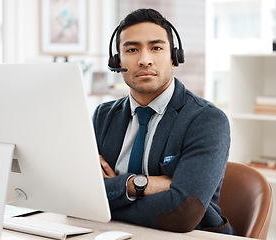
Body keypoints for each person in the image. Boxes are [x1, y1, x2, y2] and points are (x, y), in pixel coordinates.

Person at [92, 8, 235, 235]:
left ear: (174, 57)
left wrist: (109, 197)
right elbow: (81, 193)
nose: (144, 60)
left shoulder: (207, 120)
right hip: (112, 233)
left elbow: (182, 212)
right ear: (116, 60)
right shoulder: (103, 116)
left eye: (156, 48)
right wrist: (135, 185)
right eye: (132, 49)